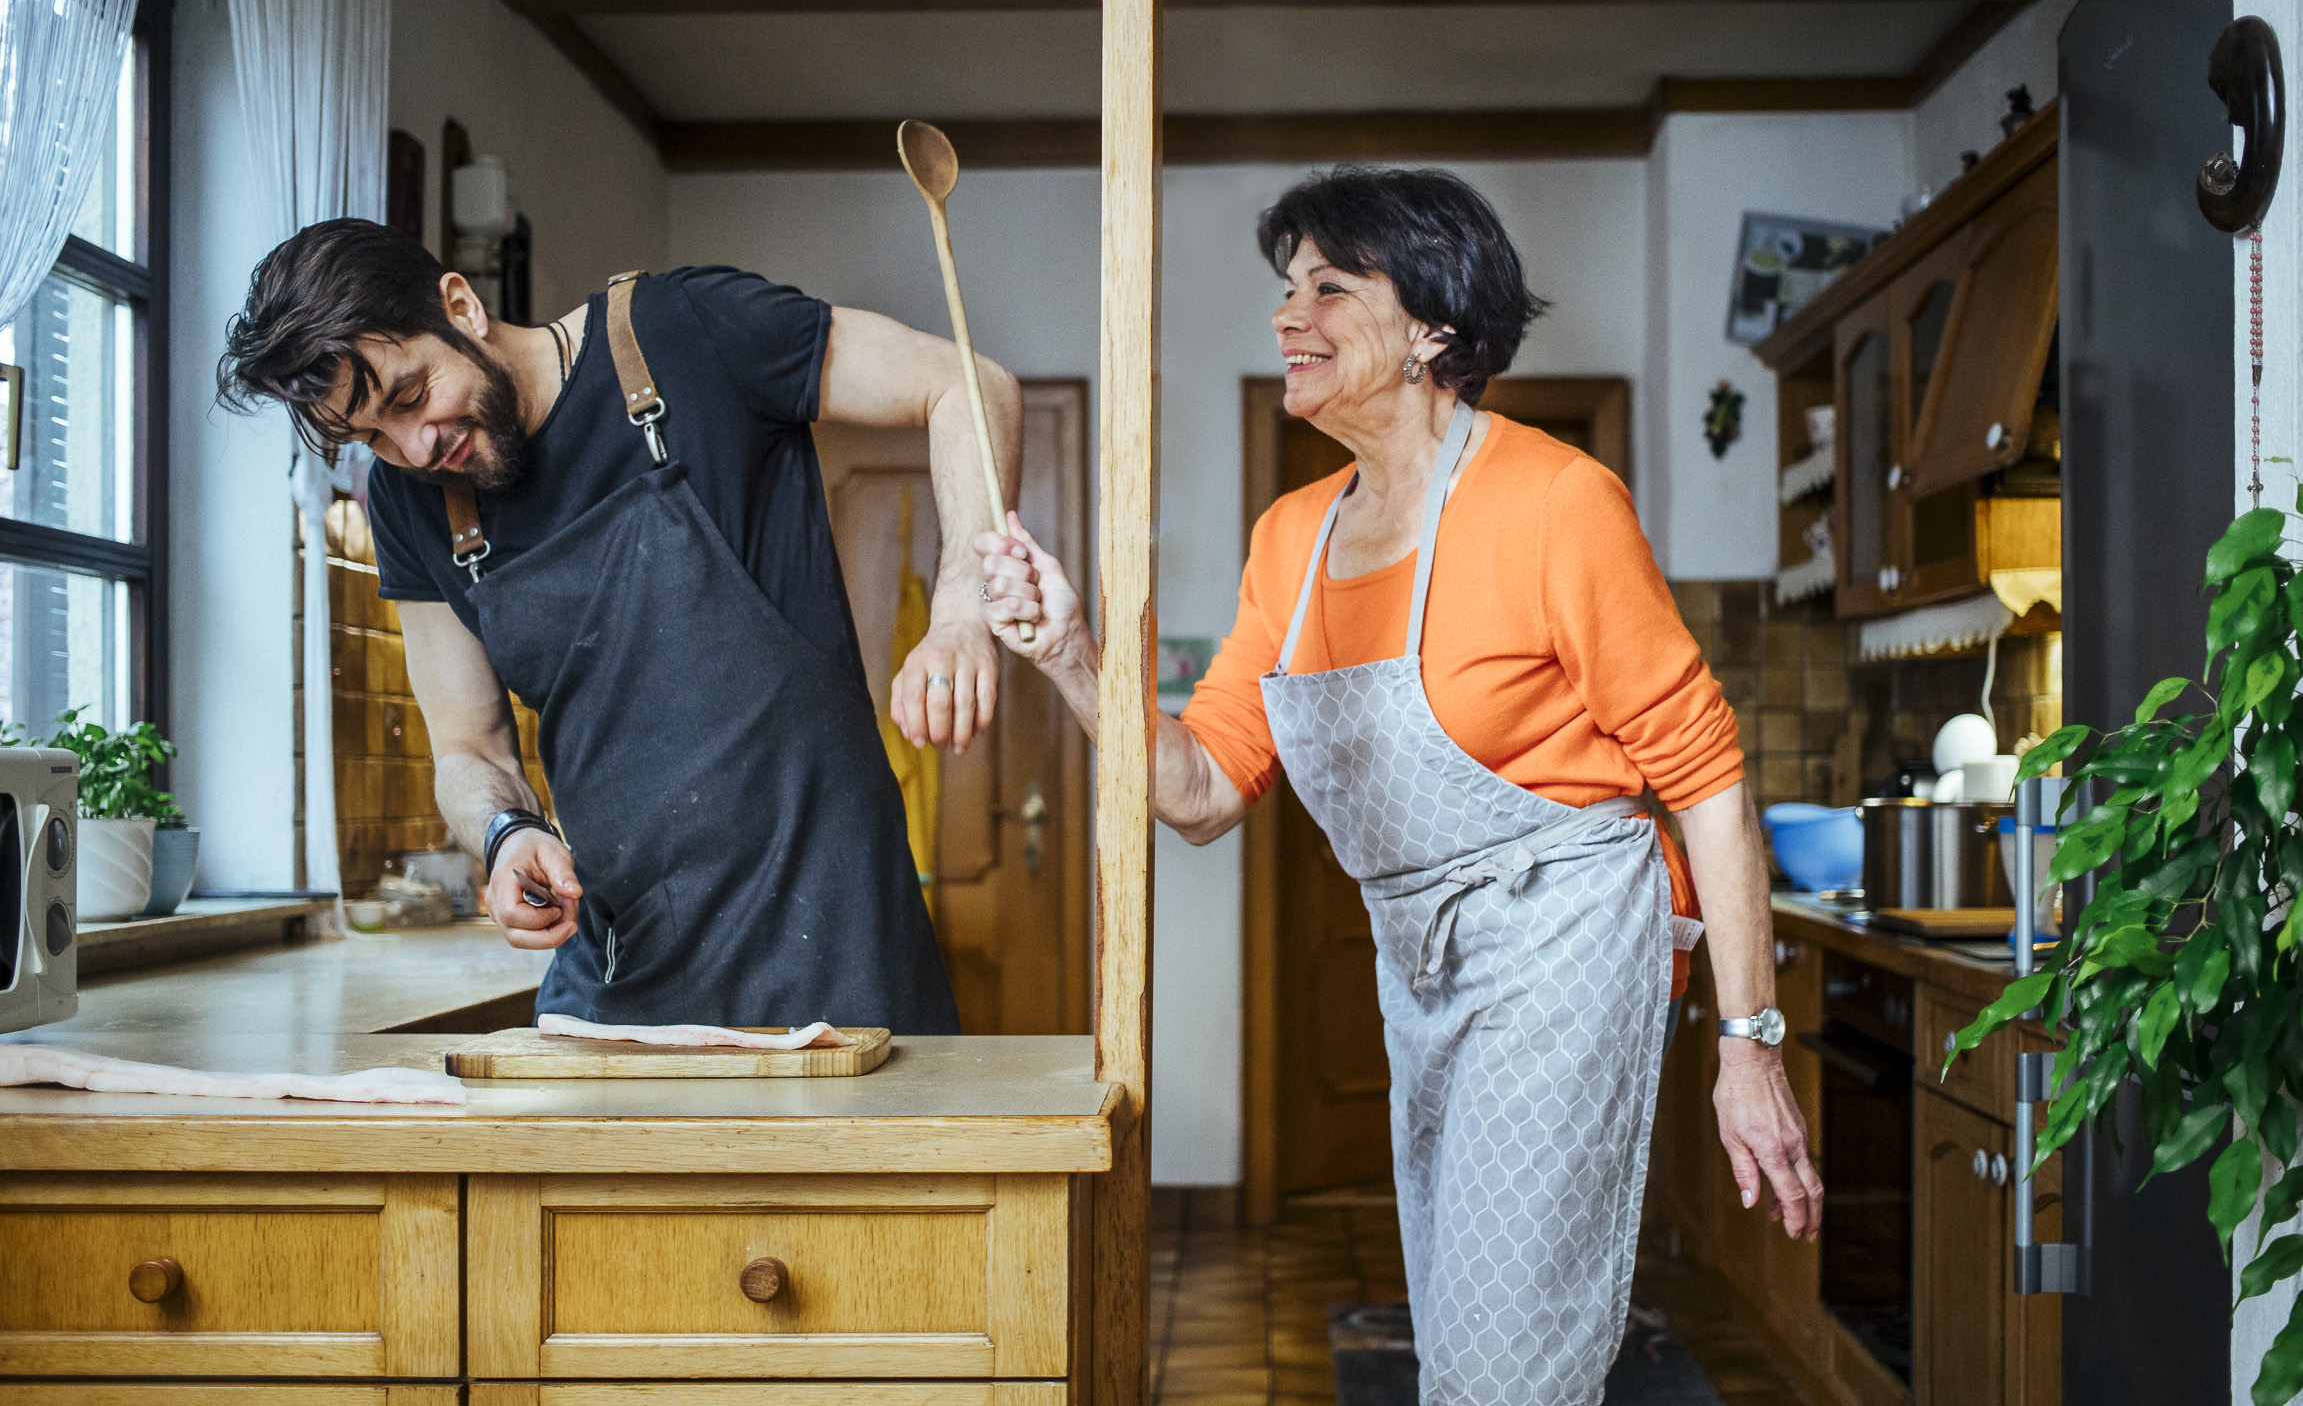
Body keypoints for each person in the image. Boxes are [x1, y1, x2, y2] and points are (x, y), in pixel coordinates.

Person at [976, 169, 1821, 1403]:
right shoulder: (1291, 538)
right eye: (1283, 287)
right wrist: (1071, 654)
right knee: (1465, 1324)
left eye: (1328, 284)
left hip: (1565, 943)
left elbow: (1706, 782)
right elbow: (1200, 788)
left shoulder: (1554, 502)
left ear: (1432, 325)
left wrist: (1747, 1049)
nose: (1286, 315)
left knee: (1501, 1359)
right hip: (1415, 956)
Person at [217, 219, 1017, 1033]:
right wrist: (503, 833)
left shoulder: (682, 329)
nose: (415, 449)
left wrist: (960, 609)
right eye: (370, 438)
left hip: (837, 951)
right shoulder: (411, 501)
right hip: (623, 982)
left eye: (413, 397)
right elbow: (467, 747)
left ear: (459, 305)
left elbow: (968, 387)